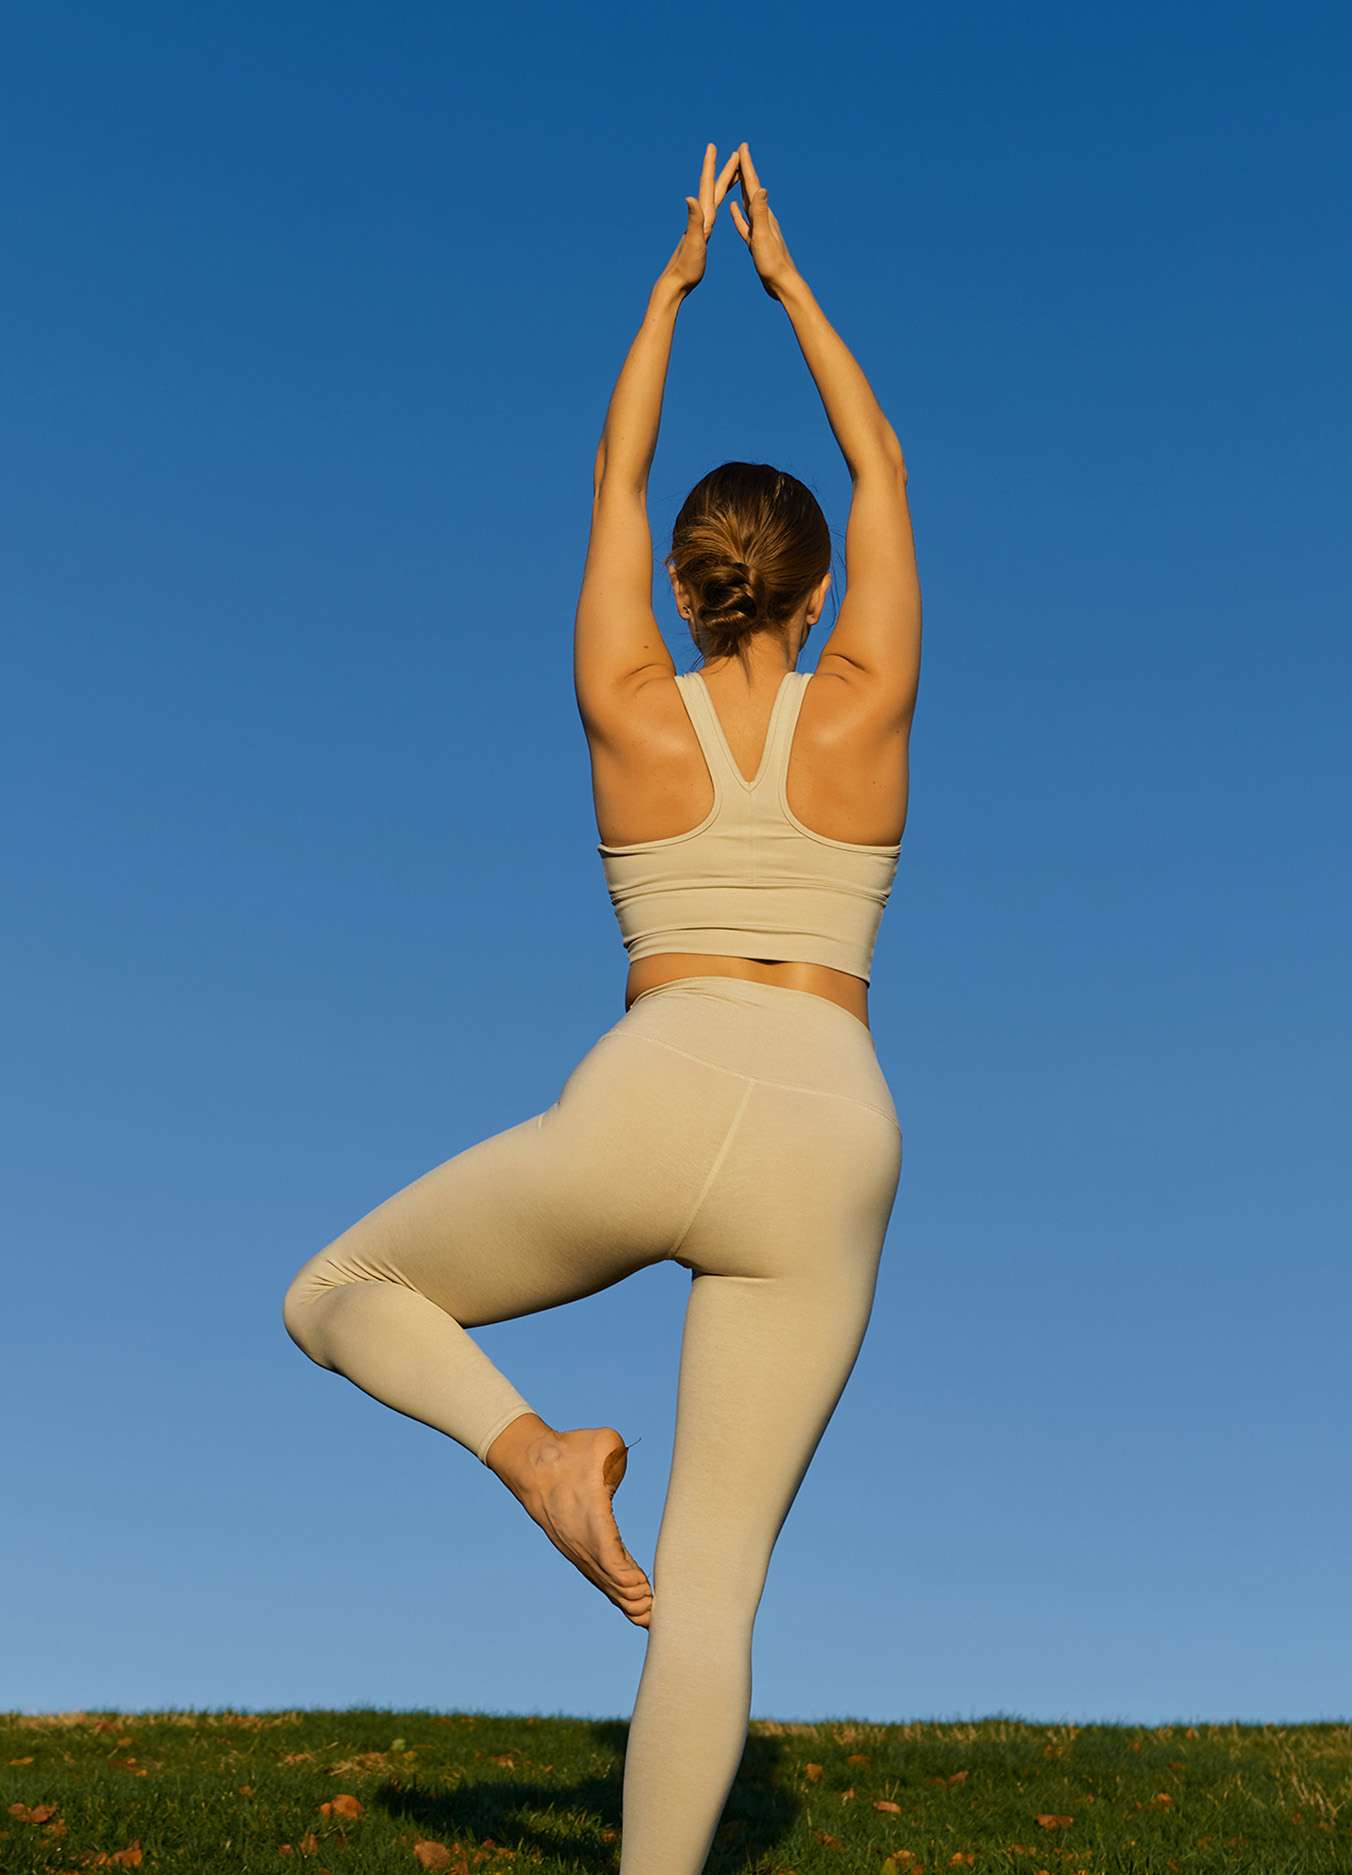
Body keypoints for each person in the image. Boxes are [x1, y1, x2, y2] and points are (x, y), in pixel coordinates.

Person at [282, 140, 922, 1875]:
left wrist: (671, 291)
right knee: (711, 1592)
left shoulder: (628, 698)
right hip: (833, 1122)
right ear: (810, 590)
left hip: (661, 1079)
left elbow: (610, 482)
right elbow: (877, 460)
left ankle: (542, 1461)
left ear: (693, 584)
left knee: (340, 1291)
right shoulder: (865, 697)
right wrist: (791, 289)